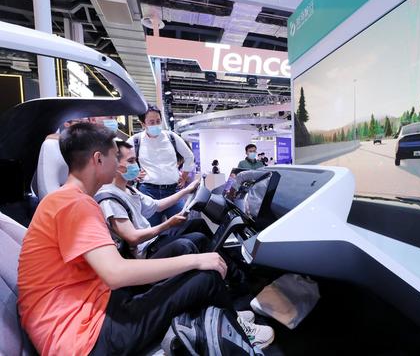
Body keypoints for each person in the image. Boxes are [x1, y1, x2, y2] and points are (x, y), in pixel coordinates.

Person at [17, 123, 274, 355]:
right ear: (98, 159)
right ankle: (234, 331)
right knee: (203, 276)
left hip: (90, 312)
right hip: (85, 338)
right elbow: (115, 273)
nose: (121, 163)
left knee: (192, 269)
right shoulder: (74, 204)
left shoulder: (64, 200)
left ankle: (225, 318)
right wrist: (195, 260)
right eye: (114, 156)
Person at [96, 140, 209, 259]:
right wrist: (168, 224)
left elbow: (157, 205)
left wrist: (186, 190)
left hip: (152, 240)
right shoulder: (110, 199)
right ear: (115, 165)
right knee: (192, 242)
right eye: (131, 161)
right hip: (144, 251)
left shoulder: (129, 189)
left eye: (135, 160)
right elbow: (133, 238)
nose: (136, 166)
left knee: (198, 224)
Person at [128, 104, 195, 227]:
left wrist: (184, 176)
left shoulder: (171, 137)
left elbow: (189, 156)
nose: (155, 125)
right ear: (143, 124)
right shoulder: (135, 140)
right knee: (151, 231)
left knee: (182, 227)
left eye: (158, 121)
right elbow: (121, 160)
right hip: (148, 192)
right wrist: (133, 174)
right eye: (151, 122)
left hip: (173, 191)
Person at [35, 116, 119, 200]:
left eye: (86, 123)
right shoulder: (53, 144)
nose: (83, 128)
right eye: (79, 122)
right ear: (98, 159)